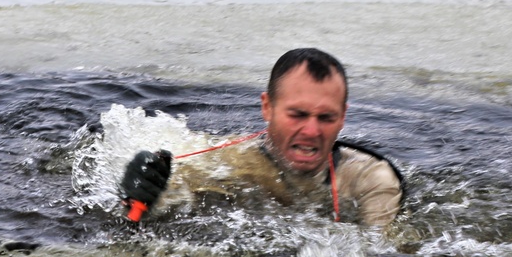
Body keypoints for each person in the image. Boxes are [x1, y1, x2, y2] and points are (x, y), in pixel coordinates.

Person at [119, 48, 404, 227]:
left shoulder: (370, 178)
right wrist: (141, 196)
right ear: (267, 107)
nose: (312, 131)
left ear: (343, 116)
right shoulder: (229, 162)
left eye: (326, 118)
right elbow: (143, 218)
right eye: (298, 114)